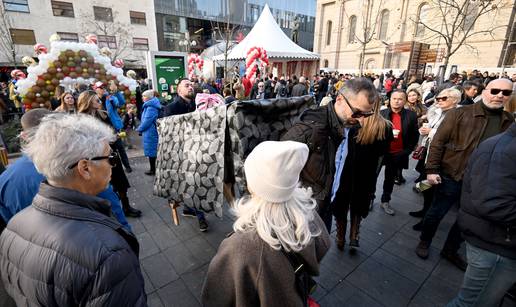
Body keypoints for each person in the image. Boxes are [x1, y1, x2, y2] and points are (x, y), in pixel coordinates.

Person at [0, 113, 147, 306]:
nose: (113, 163)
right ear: (85, 168)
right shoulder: (108, 254)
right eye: (110, 156)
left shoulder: (13, 226)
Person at [202, 141, 330, 307]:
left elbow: (214, 299)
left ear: (254, 186)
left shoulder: (240, 247)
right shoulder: (308, 215)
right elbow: (324, 244)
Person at [416, 78, 515, 270]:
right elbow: (437, 143)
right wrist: (431, 170)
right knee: (436, 213)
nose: (499, 96)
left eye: (506, 93)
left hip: (482, 183)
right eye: (495, 91)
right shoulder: (459, 113)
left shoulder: (509, 121)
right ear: (484, 91)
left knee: (466, 221)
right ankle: (424, 241)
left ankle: (451, 250)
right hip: (451, 175)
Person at [282, 78, 377, 232]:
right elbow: (277, 168)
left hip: (325, 206)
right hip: (302, 212)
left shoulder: (351, 127)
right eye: (358, 112)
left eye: (367, 115)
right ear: (340, 99)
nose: (361, 120)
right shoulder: (310, 127)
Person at [446, 122, 516, 307]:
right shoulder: (503, 150)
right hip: (496, 245)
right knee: (472, 304)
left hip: (501, 242)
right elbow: (494, 204)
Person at [333, 100, 393, 250]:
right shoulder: (384, 126)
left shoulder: (351, 123)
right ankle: (354, 235)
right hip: (367, 173)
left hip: (345, 171)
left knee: (341, 203)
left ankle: (340, 237)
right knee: (358, 203)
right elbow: (382, 153)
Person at [77, 91, 142, 218]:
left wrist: (114, 137)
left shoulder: (103, 114)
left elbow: (111, 131)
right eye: (97, 100)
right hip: (96, 157)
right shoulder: (81, 119)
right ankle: (111, 210)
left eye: (99, 100)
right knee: (105, 185)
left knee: (121, 182)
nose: (100, 102)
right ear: (88, 101)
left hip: (111, 153)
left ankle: (126, 207)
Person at [410, 88, 461, 230]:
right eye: (437, 98)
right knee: (423, 183)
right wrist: (424, 130)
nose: (438, 101)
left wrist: (431, 132)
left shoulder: (458, 115)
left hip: (441, 158)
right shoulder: (437, 111)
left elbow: (453, 138)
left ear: (454, 100)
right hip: (427, 152)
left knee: (432, 188)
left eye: (443, 98)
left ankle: (427, 219)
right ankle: (424, 210)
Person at [163, 78, 208, 232]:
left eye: (191, 85)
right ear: (178, 90)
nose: (190, 87)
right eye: (186, 85)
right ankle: (201, 217)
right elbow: (168, 135)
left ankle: (189, 209)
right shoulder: (171, 108)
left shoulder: (199, 104)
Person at [379, 90, 419, 215]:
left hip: (397, 153)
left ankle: (385, 200)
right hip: (380, 152)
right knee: (372, 176)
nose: (396, 101)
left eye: (400, 99)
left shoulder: (411, 116)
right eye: (394, 98)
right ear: (389, 100)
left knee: (390, 178)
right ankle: (370, 198)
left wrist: (406, 152)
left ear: (405, 101)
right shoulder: (381, 114)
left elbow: (414, 137)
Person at [95, 82, 132, 173]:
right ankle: (113, 169)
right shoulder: (94, 100)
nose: (102, 89)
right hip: (102, 128)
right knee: (108, 150)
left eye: (103, 87)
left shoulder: (110, 97)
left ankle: (127, 166)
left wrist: (116, 92)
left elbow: (121, 103)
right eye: (100, 88)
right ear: (95, 89)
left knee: (120, 147)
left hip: (114, 126)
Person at [137, 90, 161, 176]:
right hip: (149, 131)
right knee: (152, 151)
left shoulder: (151, 107)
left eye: (144, 96)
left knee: (152, 152)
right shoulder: (149, 106)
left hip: (150, 132)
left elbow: (147, 121)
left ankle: (153, 170)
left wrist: (139, 129)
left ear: (149, 97)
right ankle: (154, 169)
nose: (142, 97)